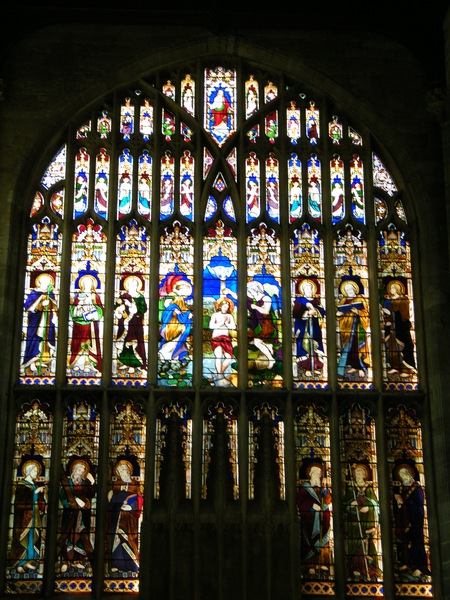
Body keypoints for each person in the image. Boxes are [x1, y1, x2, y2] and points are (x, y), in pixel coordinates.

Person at [57, 458, 96, 573]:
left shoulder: (84, 483)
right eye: (79, 470)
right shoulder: (67, 482)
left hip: (82, 514)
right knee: (68, 535)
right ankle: (65, 561)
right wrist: (73, 502)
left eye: (83, 471)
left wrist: (92, 483)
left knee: (81, 537)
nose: (81, 472)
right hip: (69, 514)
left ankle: (78, 560)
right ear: (74, 470)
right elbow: (63, 497)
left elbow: (91, 495)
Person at [343, 464, 381, 581]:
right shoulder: (351, 488)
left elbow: (375, 504)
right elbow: (344, 505)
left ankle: (368, 568)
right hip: (354, 523)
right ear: (354, 474)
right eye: (357, 472)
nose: (359, 474)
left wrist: (368, 507)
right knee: (355, 545)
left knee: (367, 543)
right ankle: (354, 568)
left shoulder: (368, 489)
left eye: (361, 472)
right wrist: (351, 505)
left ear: (365, 475)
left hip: (367, 522)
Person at [393, 463, 430, 579]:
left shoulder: (417, 488)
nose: (404, 476)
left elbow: (419, 505)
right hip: (403, 520)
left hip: (415, 521)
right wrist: (398, 503)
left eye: (405, 473)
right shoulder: (401, 488)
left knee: (416, 542)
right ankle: (406, 563)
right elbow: (397, 507)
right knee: (404, 542)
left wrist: (403, 502)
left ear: (410, 474)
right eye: (401, 474)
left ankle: (420, 567)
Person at [106, 460, 143, 574]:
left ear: (129, 471)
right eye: (120, 471)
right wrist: (112, 498)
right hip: (116, 515)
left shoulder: (135, 485)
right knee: (116, 539)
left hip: (129, 518)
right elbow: (111, 502)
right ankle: (117, 564)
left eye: (125, 470)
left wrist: (131, 507)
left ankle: (133, 565)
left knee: (129, 539)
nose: (123, 472)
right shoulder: (116, 485)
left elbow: (140, 500)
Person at [296, 462, 332, 576]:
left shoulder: (321, 488)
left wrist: (326, 492)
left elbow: (328, 501)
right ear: (310, 474)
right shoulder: (304, 489)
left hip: (323, 519)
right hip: (309, 521)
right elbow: (301, 503)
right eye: (315, 472)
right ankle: (309, 565)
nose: (317, 475)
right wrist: (312, 506)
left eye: (319, 473)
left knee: (323, 540)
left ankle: (322, 562)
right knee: (309, 542)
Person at [10, 461, 46, 574]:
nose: (36, 473)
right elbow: (20, 503)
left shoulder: (34, 485)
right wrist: (35, 493)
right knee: (23, 539)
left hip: (34, 516)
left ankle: (28, 561)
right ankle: (19, 563)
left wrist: (41, 505)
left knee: (32, 538)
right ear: (28, 471)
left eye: (37, 471)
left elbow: (40, 501)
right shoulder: (22, 485)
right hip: (24, 519)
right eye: (34, 471)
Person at [21, 273, 58, 375]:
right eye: (44, 281)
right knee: (34, 339)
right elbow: (28, 307)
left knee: (47, 339)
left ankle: (44, 360)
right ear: (40, 282)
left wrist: (54, 314)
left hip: (48, 321)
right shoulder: (34, 293)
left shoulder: (50, 294)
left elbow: (55, 307)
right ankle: (32, 361)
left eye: (48, 281)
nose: (47, 283)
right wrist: (41, 303)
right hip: (35, 321)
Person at [69, 273, 103, 375]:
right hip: (78, 324)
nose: (87, 284)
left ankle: (89, 364)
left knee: (90, 344)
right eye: (85, 283)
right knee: (78, 344)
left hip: (91, 324)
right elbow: (73, 311)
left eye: (89, 283)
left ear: (92, 284)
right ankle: (77, 363)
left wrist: (93, 311)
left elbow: (100, 310)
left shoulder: (95, 296)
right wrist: (79, 306)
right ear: (82, 285)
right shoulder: (78, 296)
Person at [336, 279, 371, 378]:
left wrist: (358, 312)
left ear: (354, 289)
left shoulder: (360, 299)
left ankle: (361, 367)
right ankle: (353, 366)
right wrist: (338, 314)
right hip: (346, 329)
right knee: (349, 348)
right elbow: (339, 315)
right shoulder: (343, 300)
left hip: (357, 328)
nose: (349, 291)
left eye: (350, 289)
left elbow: (367, 313)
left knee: (357, 346)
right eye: (347, 290)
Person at [114, 275, 147, 375]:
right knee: (124, 342)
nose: (133, 286)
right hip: (124, 324)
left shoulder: (140, 297)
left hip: (135, 323)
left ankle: (134, 364)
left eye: (135, 284)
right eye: (130, 284)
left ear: (137, 286)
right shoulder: (123, 296)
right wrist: (119, 309)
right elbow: (115, 306)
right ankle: (125, 362)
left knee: (133, 342)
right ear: (127, 286)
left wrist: (132, 305)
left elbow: (143, 309)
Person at [382, 280, 416, 377]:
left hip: (401, 328)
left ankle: (407, 370)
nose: (391, 289)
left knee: (404, 347)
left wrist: (391, 313)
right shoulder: (390, 301)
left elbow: (403, 315)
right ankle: (396, 366)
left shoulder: (403, 299)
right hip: (392, 328)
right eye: (390, 288)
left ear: (397, 289)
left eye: (393, 288)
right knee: (392, 347)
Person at [158, 273, 193, 366]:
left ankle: (172, 355)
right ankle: (164, 352)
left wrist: (189, 314)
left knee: (180, 336)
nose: (186, 294)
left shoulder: (181, 299)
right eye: (185, 291)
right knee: (179, 334)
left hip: (178, 322)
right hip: (171, 323)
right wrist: (174, 309)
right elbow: (166, 305)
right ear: (180, 289)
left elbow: (184, 310)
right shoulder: (172, 295)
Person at [293, 279, 326, 377]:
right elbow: (295, 313)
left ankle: (315, 367)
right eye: (307, 289)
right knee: (305, 346)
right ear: (303, 291)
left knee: (315, 346)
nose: (309, 290)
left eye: (310, 289)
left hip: (315, 327)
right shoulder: (299, 301)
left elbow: (322, 311)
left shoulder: (316, 302)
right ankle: (306, 368)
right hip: (303, 327)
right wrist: (307, 313)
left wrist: (316, 312)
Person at [247, 280, 280, 371]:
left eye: (251, 291)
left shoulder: (266, 298)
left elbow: (266, 311)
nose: (251, 294)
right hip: (257, 324)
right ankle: (268, 345)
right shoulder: (255, 300)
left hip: (265, 324)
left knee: (256, 342)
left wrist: (255, 307)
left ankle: (271, 359)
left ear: (256, 290)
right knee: (250, 341)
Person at [209, 297, 237, 386]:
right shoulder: (215, 315)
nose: (226, 308)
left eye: (227, 307)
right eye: (224, 306)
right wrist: (222, 322)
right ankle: (220, 377)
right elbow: (211, 326)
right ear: (220, 306)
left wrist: (227, 323)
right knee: (218, 356)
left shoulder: (229, 316)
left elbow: (233, 326)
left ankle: (219, 375)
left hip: (226, 339)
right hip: (216, 338)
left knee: (229, 357)